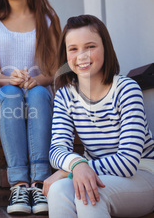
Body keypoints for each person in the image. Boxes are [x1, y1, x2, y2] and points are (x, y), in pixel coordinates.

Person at [43, 14, 154, 217]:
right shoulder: (65, 95)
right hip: (94, 173)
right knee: (58, 191)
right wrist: (77, 165)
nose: (82, 56)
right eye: (73, 49)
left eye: (90, 47)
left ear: (105, 48)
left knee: (89, 194)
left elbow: (127, 162)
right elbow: (57, 150)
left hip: (143, 174)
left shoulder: (127, 89)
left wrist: (70, 169)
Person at [0, 0, 61, 215]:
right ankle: (19, 184)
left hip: (38, 98)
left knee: (37, 92)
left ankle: (39, 183)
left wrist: (37, 79)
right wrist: (7, 78)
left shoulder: (47, 19)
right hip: (1, 99)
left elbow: (55, 69)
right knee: (13, 92)